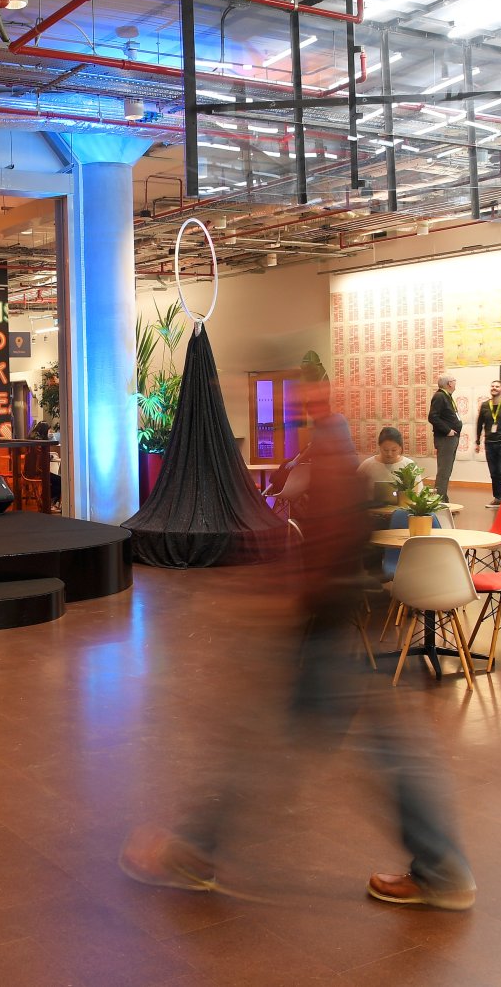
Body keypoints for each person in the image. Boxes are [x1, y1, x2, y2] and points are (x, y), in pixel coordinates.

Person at [119, 375, 476, 911]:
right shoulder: (335, 451)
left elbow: (329, 546)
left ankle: (193, 851)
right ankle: (441, 867)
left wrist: (274, 601)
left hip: (321, 628)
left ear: (316, 400)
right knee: (359, 745)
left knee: (260, 742)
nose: (293, 410)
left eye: (299, 401)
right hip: (330, 625)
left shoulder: (332, 456)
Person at [427, 374, 461, 503]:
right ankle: (439, 501)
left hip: (451, 439)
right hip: (446, 439)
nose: (455, 383)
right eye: (454, 381)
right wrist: (447, 431)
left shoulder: (447, 396)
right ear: (449, 384)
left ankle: (443, 498)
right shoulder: (440, 396)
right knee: (444, 471)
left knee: (447, 470)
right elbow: (433, 417)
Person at [356, 426, 415, 491]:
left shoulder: (409, 465)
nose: (389, 454)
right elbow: (354, 489)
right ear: (380, 447)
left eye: (394, 450)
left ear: (400, 448)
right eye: (386, 450)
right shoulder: (367, 465)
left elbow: (417, 493)